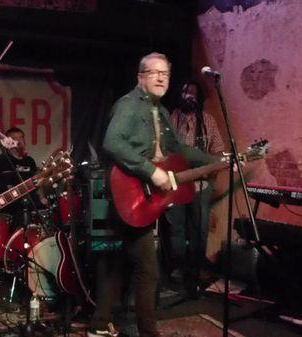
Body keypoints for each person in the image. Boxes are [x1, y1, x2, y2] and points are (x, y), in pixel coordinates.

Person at [87, 53, 220, 337]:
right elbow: (111, 142)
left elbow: (179, 150)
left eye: (166, 74)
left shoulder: (159, 111)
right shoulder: (129, 105)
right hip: (131, 193)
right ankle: (148, 333)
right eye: (154, 72)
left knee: (119, 264)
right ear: (140, 77)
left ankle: (99, 323)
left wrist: (216, 160)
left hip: (139, 199)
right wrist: (151, 172)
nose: (161, 78)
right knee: (148, 270)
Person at [165, 79, 225, 291]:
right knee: (177, 229)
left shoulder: (207, 121)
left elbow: (218, 153)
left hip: (201, 184)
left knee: (199, 229)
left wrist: (210, 172)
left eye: (192, 92)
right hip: (177, 184)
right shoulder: (172, 118)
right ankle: (178, 267)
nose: (188, 95)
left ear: (198, 98)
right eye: (184, 91)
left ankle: (196, 269)